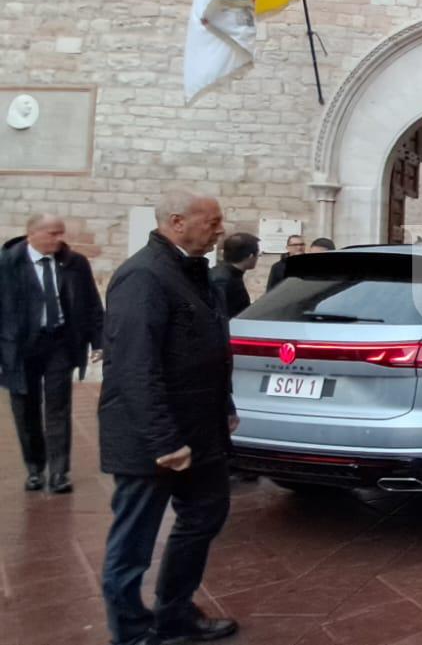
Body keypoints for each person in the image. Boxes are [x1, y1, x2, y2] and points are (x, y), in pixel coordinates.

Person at [99, 190, 238, 645]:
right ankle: (131, 631)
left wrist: (225, 406)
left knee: (205, 514)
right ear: (177, 222)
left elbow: (207, 347)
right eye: (212, 221)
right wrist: (163, 441)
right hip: (152, 438)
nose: (220, 230)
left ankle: (175, 613)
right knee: (133, 543)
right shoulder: (143, 276)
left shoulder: (194, 272)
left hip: (200, 429)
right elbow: (134, 366)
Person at [0, 214, 104, 494]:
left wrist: (98, 341)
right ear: (31, 234)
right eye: (53, 233)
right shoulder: (8, 263)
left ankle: (59, 472)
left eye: (61, 233)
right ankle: (34, 468)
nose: (59, 239)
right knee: (25, 409)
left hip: (59, 342)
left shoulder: (74, 263)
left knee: (59, 407)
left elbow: (91, 303)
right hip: (20, 347)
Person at [208, 233, 259, 319]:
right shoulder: (222, 279)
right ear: (250, 256)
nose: (258, 257)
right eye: (257, 253)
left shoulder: (228, 274)